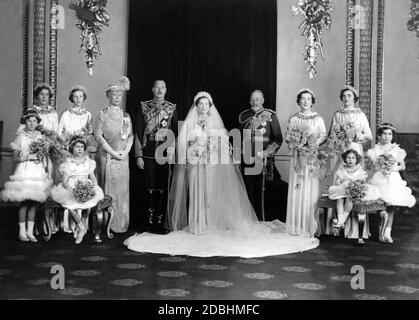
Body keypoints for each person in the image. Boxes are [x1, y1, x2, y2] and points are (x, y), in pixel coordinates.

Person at [123, 92, 319, 258]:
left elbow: (224, 145)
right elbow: (182, 144)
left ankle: (208, 224)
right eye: (200, 104)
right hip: (195, 165)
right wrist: (192, 153)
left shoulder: (216, 123)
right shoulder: (190, 123)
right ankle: (196, 225)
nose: (203, 106)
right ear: (196, 106)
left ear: (210, 106)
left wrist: (210, 150)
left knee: (209, 195)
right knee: (197, 194)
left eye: (206, 104)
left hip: (210, 166)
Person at [134, 80, 178, 234]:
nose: (160, 90)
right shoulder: (144, 107)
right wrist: (138, 155)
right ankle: (149, 221)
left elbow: (175, 132)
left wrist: (172, 146)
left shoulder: (171, 108)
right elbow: (138, 132)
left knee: (162, 188)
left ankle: (160, 222)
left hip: (165, 153)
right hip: (148, 153)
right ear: (152, 89)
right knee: (149, 188)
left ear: (166, 90)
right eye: (157, 87)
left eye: (162, 87)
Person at [2, 110, 52, 242]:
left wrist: (42, 162)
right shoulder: (20, 136)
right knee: (24, 202)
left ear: (38, 123)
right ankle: (22, 232)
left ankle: (30, 232)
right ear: (25, 122)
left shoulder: (41, 137)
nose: (32, 123)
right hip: (24, 169)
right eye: (29, 121)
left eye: (34, 121)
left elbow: (44, 156)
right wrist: (27, 156)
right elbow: (15, 158)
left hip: (37, 170)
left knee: (34, 202)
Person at [285, 89, 327, 237]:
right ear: (298, 101)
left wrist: (312, 143)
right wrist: (297, 143)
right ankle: (296, 226)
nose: (305, 101)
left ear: (312, 101)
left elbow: (323, 135)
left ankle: (311, 226)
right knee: (298, 187)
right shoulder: (294, 119)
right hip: (297, 157)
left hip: (311, 158)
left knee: (310, 188)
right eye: (302, 99)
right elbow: (288, 137)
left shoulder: (318, 119)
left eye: (308, 99)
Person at [95, 76, 133, 233]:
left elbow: (130, 136)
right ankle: (106, 225)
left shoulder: (126, 116)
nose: (117, 97)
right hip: (107, 156)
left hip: (123, 158)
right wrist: (113, 153)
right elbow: (98, 136)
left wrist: (125, 152)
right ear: (108, 96)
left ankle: (120, 223)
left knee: (122, 190)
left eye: (119, 95)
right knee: (107, 190)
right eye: (114, 95)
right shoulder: (102, 113)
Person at [367, 123, 416, 243]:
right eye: (384, 134)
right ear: (379, 135)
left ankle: (387, 233)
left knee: (391, 206)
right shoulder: (375, 150)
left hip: (393, 178)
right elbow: (369, 166)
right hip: (380, 179)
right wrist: (379, 166)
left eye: (389, 134)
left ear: (392, 136)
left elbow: (403, 166)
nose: (387, 136)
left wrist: (392, 167)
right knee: (382, 205)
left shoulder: (397, 150)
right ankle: (380, 232)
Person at [238, 90, 283, 220]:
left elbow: (278, 139)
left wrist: (267, 152)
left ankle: (260, 221)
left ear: (263, 101)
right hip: (246, 159)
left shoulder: (270, 115)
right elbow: (239, 138)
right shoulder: (244, 116)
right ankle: (248, 221)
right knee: (247, 192)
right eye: (252, 99)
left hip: (262, 160)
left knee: (260, 193)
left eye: (257, 99)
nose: (254, 102)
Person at [51, 136, 104, 244]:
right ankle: (82, 227)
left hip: (86, 184)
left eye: (82, 147)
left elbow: (92, 177)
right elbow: (65, 181)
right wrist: (73, 190)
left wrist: (93, 187)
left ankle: (81, 227)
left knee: (88, 204)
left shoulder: (89, 161)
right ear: (72, 148)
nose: (80, 149)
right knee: (70, 206)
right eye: (77, 147)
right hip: (71, 186)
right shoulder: (67, 162)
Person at [328, 149, 380, 231]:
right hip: (344, 189)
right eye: (348, 158)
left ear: (356, 160)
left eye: (353, 158)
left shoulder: (359, 170)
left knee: (350, 197)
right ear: (345, 159)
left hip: (354, 190)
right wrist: (343, 183)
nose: (350, 160)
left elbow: (362, 182)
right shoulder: (342, 170)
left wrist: (355, 184)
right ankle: (340, 218)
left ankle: (342, 219)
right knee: (339, 199)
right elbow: (337, 182)